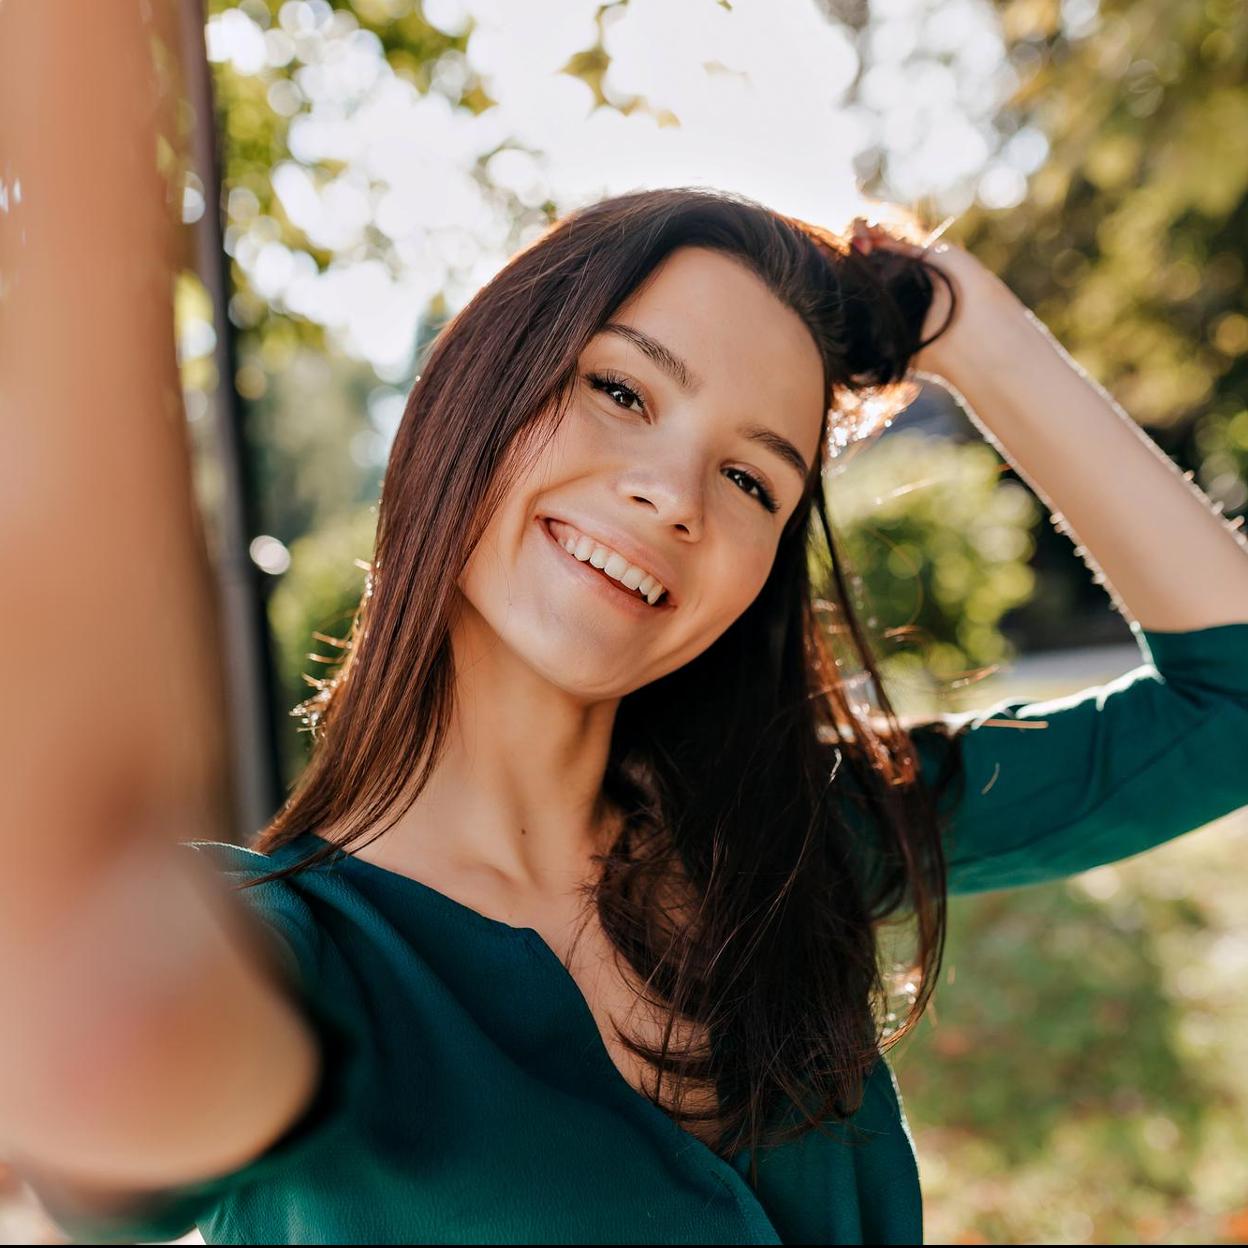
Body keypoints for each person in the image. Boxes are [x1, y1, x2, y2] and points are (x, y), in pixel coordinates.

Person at [4, 12, 1248, 1246]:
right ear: (473, 398)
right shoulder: (291, 955)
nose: (674, 493)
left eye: (753, 478)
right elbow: (112, 1081)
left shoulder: (799, 840)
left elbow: (1228, 705)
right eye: (620, 388)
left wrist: (970, 330)